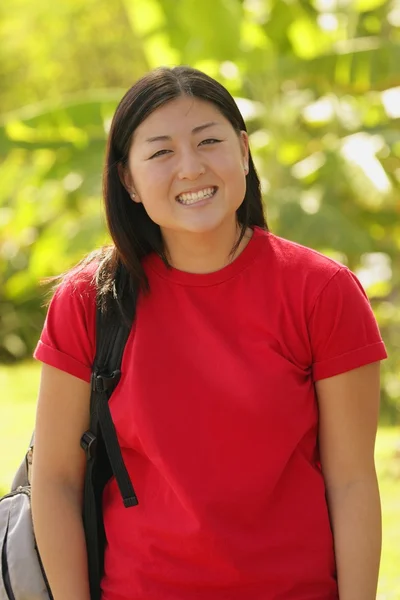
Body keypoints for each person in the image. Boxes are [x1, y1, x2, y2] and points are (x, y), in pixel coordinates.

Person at [31, 65, 387, 600]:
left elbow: (353, 480)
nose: (191, 168)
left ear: (243, 152)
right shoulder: (89, 301)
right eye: (161, 152)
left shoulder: (323, 293)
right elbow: (55, 480)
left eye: (210, 142)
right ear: (127, 179)